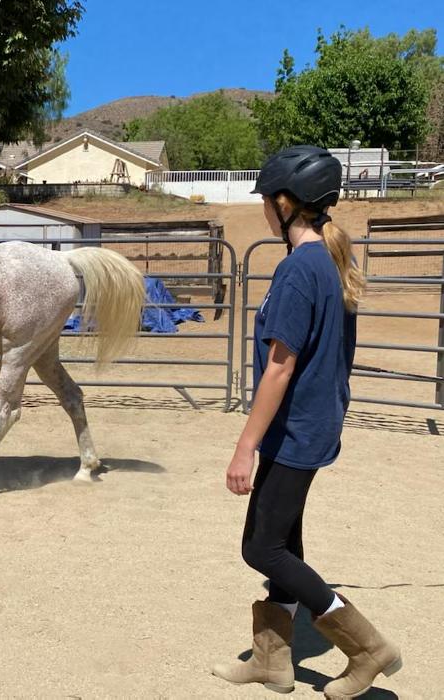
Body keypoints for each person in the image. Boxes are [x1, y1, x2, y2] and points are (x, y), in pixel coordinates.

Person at [211, 146, 402, 697]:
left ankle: (368, 648)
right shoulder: (329, 262)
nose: (264, 210)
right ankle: (272, 661)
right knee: (284, 544)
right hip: (311, 423)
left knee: (261, 549)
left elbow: (280, 367)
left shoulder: (299, 270)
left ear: (286, 203)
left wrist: (245, 446)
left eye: (267, 200)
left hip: (294, 428)